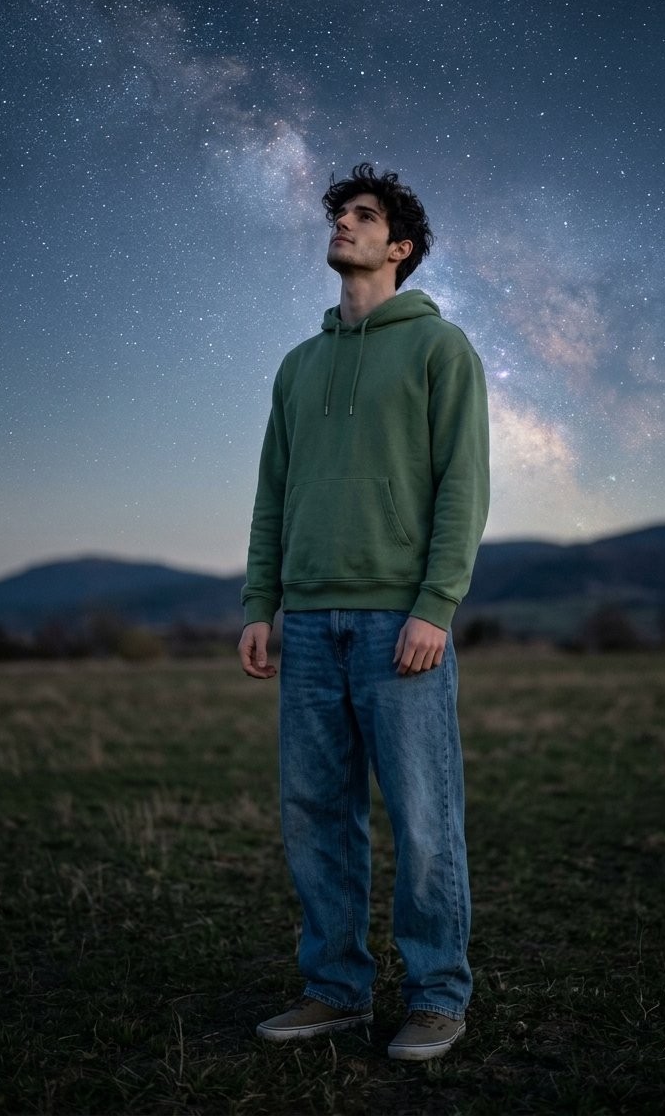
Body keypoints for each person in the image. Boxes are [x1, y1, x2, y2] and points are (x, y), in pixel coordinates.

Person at [237, 162, 489, 1062]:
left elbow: (464, 486)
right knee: (315, 815)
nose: (343, 223)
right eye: (339, 212)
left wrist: (436, 605)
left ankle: (436, 997)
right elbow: (273, 492)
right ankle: (336, 989)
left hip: (398, 627)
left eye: (364, 214)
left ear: (400, 246)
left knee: (424, 819)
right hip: (306, 626)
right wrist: (261, 599)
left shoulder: (439, 348)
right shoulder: (298, 366)